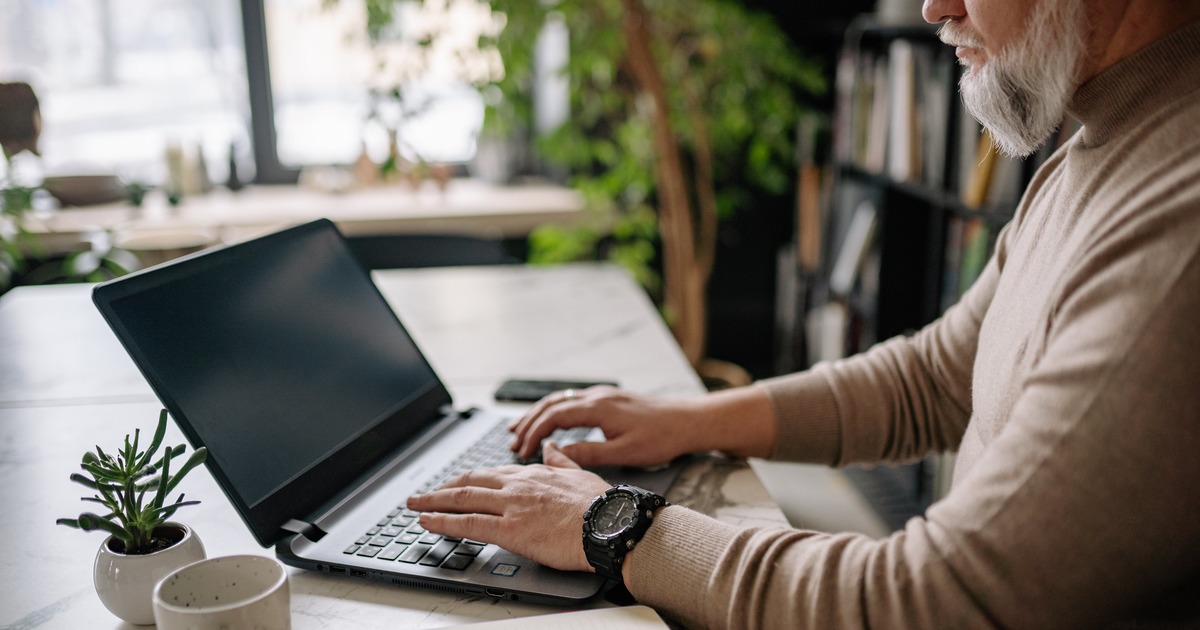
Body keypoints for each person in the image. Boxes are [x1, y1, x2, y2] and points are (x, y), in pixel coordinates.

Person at [407, 0, 1200, 626]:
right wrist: (691, 421)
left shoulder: (1176, 224)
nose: (933, 7)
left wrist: (617, 525)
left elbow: (944, 600)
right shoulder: (1101, 141)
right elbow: (934, 378)